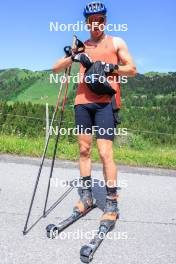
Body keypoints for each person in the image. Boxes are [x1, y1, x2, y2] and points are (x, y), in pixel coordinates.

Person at [53, 1, 137, 230]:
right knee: (83, 150)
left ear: (105, 21)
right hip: (82, 103)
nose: (96, 24)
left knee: (104, 152)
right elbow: (55, 68)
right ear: (87, 23)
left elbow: (132, 68)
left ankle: (111, 202)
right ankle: (87, 197)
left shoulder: (116, 42)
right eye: (92, 20)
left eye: (100, 19)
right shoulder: (82, 46)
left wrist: (109, 68)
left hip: (105, 104)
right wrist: (74, 56)